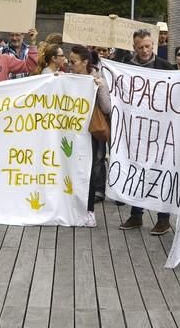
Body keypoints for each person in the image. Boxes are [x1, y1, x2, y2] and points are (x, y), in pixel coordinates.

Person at [119, 29, 175, 235]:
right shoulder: (126, 66)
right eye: (140, 47)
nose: (144, 50)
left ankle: (163, 219)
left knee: (161, 171)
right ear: (134, 47)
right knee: (137, 171)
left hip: (160, 130)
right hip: (136, 128)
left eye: (148, 46)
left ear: (154, 46)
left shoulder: (165, 67)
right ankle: (136, 215)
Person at [69, 45, 111, 226]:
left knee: (90, 170)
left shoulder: (98, 78)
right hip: (69, 132)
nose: (69, 65)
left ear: (85, 62)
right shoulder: (66, 78)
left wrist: (99, 87)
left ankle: (89, 210)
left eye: (73, 62)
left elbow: (107, 108)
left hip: (91, 133)